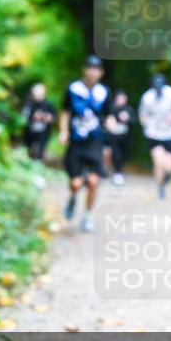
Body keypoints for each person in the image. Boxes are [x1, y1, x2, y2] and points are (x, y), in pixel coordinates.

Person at [59, 55, 111, 233]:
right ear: (84, 70)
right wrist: (63, 131)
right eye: (90, 68)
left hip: (95, 142)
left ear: (101, 73)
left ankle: (87, 217)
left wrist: (111, 123)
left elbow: (108, 114)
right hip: (76, 142)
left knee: (94, 182)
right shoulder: (73, 89)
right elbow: (65, 111)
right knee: (76, 182)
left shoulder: (104, 92)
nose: (92, 72)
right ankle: (73, 197)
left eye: (96, 69)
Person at [139, 74, 171, 199]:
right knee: (159, 162)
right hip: (154, 134)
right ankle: (159, 187)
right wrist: (147, 124)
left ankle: (164, 183)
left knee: (169, 166)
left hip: (170, 134)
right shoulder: (147, 97)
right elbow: (142, 114)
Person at [104, 90, 137, 186]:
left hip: (124, 138)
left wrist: (127, 119)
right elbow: (106, 120)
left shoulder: (129, 109)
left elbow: (134, 122)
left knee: (122, 156)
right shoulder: (111, 108)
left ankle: (119, 172)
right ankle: (115, 172)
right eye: (119, 98)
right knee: (114, 154)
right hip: (113, 137)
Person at [21, 83, 56, 162]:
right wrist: (33, 117)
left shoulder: (48, 105)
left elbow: (54, 117)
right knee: (28, 149)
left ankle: (38, 163)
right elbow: (24, 117)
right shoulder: (29, 104)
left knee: (40, 150)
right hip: (30, 131)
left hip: (43, 132)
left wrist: (47, 118)